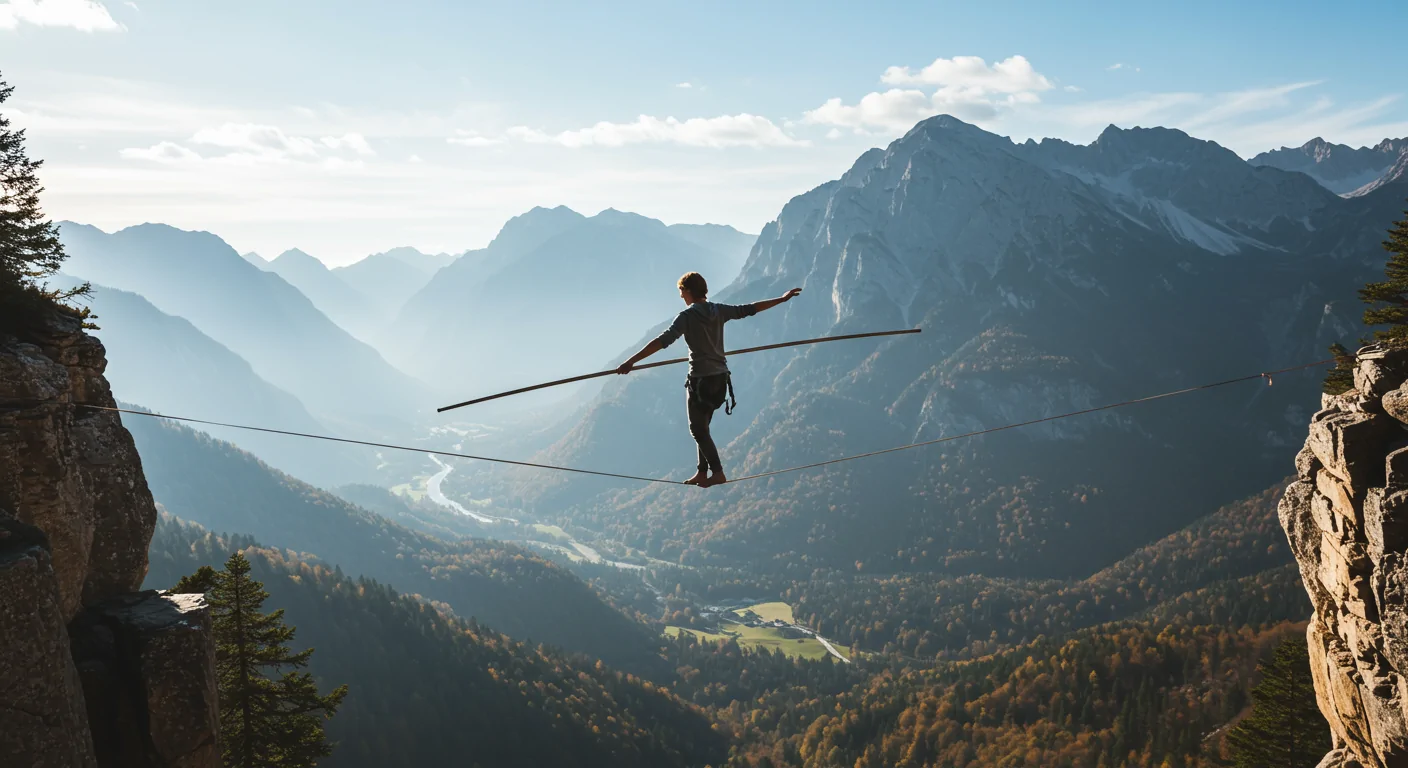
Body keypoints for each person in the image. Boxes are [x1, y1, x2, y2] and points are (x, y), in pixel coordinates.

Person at [616, 272, 801, 487]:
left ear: (688, 290)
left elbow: (663, 341)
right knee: (703, 428)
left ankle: (717, 472)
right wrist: (781, 299)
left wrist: (631, 361)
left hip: (700, 381)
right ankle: (702, 472)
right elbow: (749, 309)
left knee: (697, 429)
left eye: (681, 292)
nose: (681, 296)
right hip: (720, 381)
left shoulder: (686, 317)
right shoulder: (719, 310)